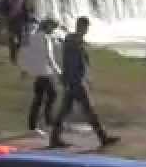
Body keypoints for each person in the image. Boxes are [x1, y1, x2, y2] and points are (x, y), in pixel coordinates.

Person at [49, 17, 119, 149]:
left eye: (86, 27)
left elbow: (76, 62)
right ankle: (102, 138)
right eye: (85, 27)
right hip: (75, 82)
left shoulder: (73, 40)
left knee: (65, 111)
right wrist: (72, 80)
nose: (86, 30)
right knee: (88, 110)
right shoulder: (73, 41)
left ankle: (54, 138)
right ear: (80, 26)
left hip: (73, 81)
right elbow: (71, 63)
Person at [18, 18, 61, 135]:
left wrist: (24, 69)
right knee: (52, 95)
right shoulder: (45, 38)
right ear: (47, 26)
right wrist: (59, 71)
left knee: (39, 99)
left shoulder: (33, 37)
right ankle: (47, 121)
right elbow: (49, 57)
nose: (53, 30)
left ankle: (35, 125)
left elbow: (26, 54)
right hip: (45, 72)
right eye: (53, 27)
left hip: (38, 73)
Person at [0, 0, 31, 64]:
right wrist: (3, 17)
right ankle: (13, 58)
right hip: (10, 21)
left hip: (20, 21)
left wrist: (27, 21)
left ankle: (17, 55)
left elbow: (26, 9)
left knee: (20, 40)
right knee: (12, 39)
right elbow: (2, 8)